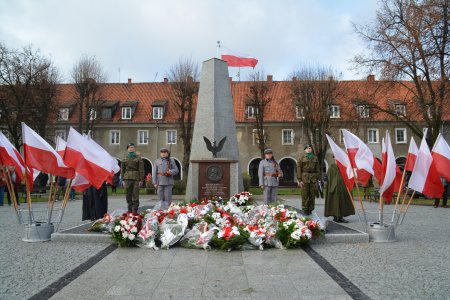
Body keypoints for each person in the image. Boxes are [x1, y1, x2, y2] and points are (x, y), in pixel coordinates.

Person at [121, 143, 144, 213]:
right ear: (128, 149)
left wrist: (141, 179)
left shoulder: (138, 158)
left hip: (136, 179)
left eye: (132, 147)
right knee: (128, 195)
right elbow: (122, 169)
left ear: (134, 149)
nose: (131, 148)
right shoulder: (125, 158)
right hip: (127, 178)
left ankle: (135, 211)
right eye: (130, 147)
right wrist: (122, 180)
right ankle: (129, 210)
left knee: (135, 196)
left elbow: (141, 169)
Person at [297, 144, 320, 215]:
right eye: (307, 148)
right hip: (304, 178)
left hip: (313, 178)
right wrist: (299, 180)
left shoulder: (315, 158)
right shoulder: (301, 158)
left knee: (312, 195)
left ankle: (310, 209)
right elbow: (298, 169)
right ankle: (305, 209)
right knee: (304, 195)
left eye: (310, 148)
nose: (309, 149)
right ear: (305, 150)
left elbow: (318, 169)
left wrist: (317, 178)